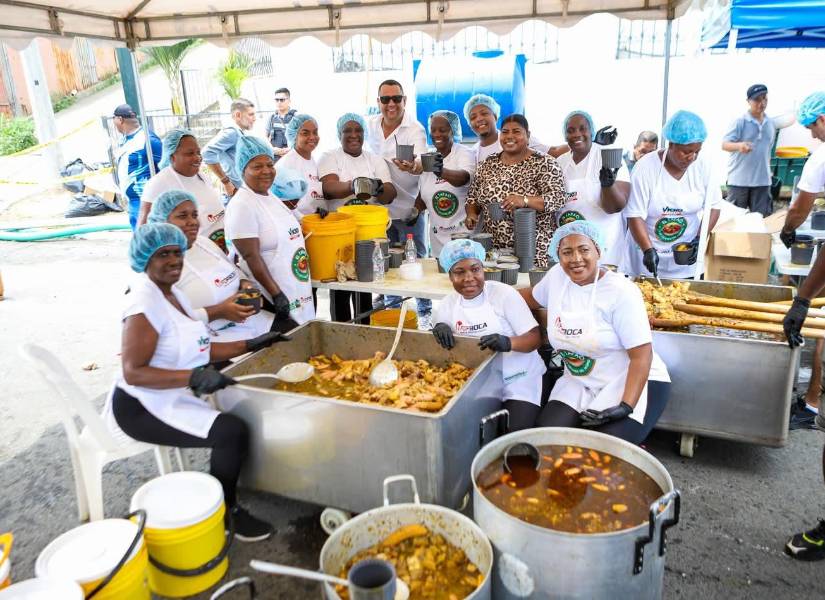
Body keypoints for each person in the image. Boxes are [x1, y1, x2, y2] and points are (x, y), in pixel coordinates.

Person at [108, 222, 288, 541]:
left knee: (243, 411)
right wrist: (193, 376)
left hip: (171, 393)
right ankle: (226, 512)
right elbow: (133, 372)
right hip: (141, 406)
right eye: (164, 254)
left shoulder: (173, 292)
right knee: (231, 431)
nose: (174, 260)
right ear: (145, 259)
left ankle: (236, 484)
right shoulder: (143, 304)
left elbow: (198, 346)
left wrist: (251, 345)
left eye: (177, 253)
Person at [519, 221, 671, 443]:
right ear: (557, 256)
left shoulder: (621, 292)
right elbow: (528, 298)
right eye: (567, 252)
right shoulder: (556, 278)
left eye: (584, 249)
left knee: (603, 449)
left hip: (628, 380)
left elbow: (642, 356)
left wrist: (625, 406)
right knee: (547, 438)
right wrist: (487, 294)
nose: (576, 259)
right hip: (580, 379)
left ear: (598, 251)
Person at [432, 240, 545, 430]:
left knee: (511, 435)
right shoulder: (448, 304)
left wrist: (508, 343)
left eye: (475, 269)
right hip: (478, 383)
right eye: (459, 272)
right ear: (449, 276)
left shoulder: (503, 294)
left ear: (483, 270)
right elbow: (441, 343)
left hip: (519, 378)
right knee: (467, 432)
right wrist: (439, 327)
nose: (469, 278)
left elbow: (535, 338)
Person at [781, 91, 825, 562]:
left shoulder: (823, 155)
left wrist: (802, 298)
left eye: (813, 124)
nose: (812, 133)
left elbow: (800, 209)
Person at [147, 189, 275, 340]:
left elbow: (236, 272)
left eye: (194, 215)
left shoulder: (204, 243)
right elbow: (165, 321)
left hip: (255, 324)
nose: (192, 221)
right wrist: (219, 311)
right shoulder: (156, 265)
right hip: (208, 341)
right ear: (162, 221)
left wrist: (246, 286)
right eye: (182, 216)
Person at [225, 136, 315, 330]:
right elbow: (251, 256)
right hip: (271, 300)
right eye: (257, 167)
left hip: (298, 292)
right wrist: (276, 295)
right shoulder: (242, 205)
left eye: (269, 164)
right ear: (243, 169)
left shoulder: (271, 196)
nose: (266, 171)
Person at [625, 110, 723, 279]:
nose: (691, 157)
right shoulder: (645, 168)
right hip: (646, 256)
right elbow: (634, 215)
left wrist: (699, 239)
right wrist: (647, 249)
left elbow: (714, 207)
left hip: (685, 261)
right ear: (671, 144)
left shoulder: (704, 166)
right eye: (686, 151)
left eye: (696, 151)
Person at [366, 80, 433, 326]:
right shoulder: (370, 125)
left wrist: (412, 166)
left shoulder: (414, 129)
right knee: (385, 260)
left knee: (416, 258)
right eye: (385, 99)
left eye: (396, 98)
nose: (391, 104)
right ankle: (393, 307)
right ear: (378, 102)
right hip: (378, 210)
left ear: (405, 101)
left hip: (408, 208)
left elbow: (422, 163)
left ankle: (424, 309)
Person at [319, 113, 397, 323]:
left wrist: (378, 187)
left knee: (365, 288)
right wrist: (353, 185)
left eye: (358, 130)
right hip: (340, 236)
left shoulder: (374, 159)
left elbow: (390, 194)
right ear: (339, 134)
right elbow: (328, 189)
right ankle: (342, 333)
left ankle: (364, 332)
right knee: (341, 289)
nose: (354, 135)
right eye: (347, 131)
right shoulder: (330, 157)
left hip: (367, 235)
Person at [464, 114, 567, 268]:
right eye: (505, 132)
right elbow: (473, 197)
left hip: (534, 251)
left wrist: (525, 200)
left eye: (516, 131)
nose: (509, 136)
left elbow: (558, 198)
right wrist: (472, 214)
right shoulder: (488, 164)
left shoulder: (544, 162)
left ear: (528, 135)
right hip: (495, 253)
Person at [555, 110, 630, 267]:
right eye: (571, 130)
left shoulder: (608, 157)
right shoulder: (560, 162)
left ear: (592, 132)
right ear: (565, 135)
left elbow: (616, 207)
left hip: (605, 246)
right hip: (570, 248)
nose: (577, 134)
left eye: (583, 129)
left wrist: (607, 185)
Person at [138, 128, 227, 251]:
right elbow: (143, 229)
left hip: (218, 251)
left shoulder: (202, 177)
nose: (197, 158)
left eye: (198, 152)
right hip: (189, 257)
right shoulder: (159, 183)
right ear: (172, 156)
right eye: (190, 153)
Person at [413, 110, 476, 257]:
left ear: (453, 131)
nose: (437, 134)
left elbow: (464, 179)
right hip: (438, 242)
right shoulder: (428, 158)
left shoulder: (463, 153)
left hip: (463, 238)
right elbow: (423, 196)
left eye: (442, 130)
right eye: (433, 130)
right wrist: (413, 212)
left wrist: (440, 171)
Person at [722, 84, 776, 216]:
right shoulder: (740, 121)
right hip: (739, 180)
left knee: (762, 221)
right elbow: (724, 145)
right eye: (757, 99)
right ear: (748, 101)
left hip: (763, 181)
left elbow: (767, 150)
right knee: (734, 220)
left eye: (764, 98)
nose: (762, 103)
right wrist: (739, 146)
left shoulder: (770, 123)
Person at [111, 103, 162, 229]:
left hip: (146, 202)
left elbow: (165, 164)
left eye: (114, 120)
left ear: (120, 120)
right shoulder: (125, 140)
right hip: (133, 202)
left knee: (148, 241)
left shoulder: (147, 140)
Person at [462, 94, 550, 166]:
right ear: (470, 125)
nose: (479, 119)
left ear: (495, 117)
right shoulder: (472, 153)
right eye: (473, 117)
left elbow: (552, 151)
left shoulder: (518, 139)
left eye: (484, 113)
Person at [203, 98, 256, 200]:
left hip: (241, 190)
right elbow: (207, 153)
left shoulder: (238, 132)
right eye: (250, 114)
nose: (254, 118)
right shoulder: (232, 132)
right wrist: (225, 181)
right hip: (235, 192)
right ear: (238, 115)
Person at [275, 113, 324, 217]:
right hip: (297, 225)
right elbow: (282, 203)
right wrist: (303, 220)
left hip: (313, 222)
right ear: (294, 136)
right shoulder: (287, 164)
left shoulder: (312, 160)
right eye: (305, 133)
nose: (312, 137)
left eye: (315, 132)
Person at [266, 87, 296, 162]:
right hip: (276, 158)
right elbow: (265, 137)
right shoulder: (272, 118)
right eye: (277, 100)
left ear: (289, 101)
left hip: (292, 157)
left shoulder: (296, 117)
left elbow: (302, 137)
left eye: (282, 100)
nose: (279, 102)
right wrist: (272, 149)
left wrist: (290, 149)